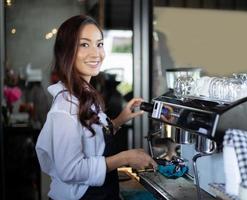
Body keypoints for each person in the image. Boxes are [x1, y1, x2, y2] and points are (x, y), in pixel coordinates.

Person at [35, 15, 157, 200]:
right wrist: (125, 158)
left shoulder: (83, 94)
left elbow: (90, 140)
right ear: (66, 51)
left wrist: (119, 120)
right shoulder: (65, 107)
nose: (96, 53)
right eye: (84, 44)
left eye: (99, 44)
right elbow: (70, 170)